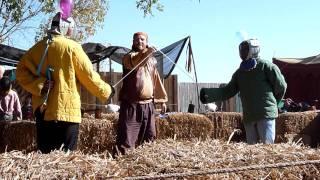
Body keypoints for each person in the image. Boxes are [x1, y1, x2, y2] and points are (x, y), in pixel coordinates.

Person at [16, 12, 114, 153]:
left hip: (43, 112)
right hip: (67, 111)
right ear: (66, 27)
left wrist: (40, 84)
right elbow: (89, 76)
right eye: (71, 28)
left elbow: (20, 72)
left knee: (45, 159)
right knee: (66, 160)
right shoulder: (72, 47)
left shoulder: (36, 48)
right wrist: (107, 91)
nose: (71, 32)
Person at [200, 39, 287, 144]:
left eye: (245, 50)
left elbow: (281, 86)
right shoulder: (240, 72)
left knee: (267, 147)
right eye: (241, 50)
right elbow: (228, 90)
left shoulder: (266, 66)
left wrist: (273, 103)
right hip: (249, 116)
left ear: (253, 50)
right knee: (252, 150)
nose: (242, 53)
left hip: (265, 115)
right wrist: (207, 95)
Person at [115, 32, 168, 155]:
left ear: (147, 42)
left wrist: (162, 100)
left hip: (148, 106)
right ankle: (122, 166)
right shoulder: (128, 57)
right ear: (133, 42)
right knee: (126, 141)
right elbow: (137, 62)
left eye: (142, 39)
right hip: (131, 105)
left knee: (150, 139)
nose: (140, 41)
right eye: (137, 40)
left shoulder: (152, 61)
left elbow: (156, 80)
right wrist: (148, 52)